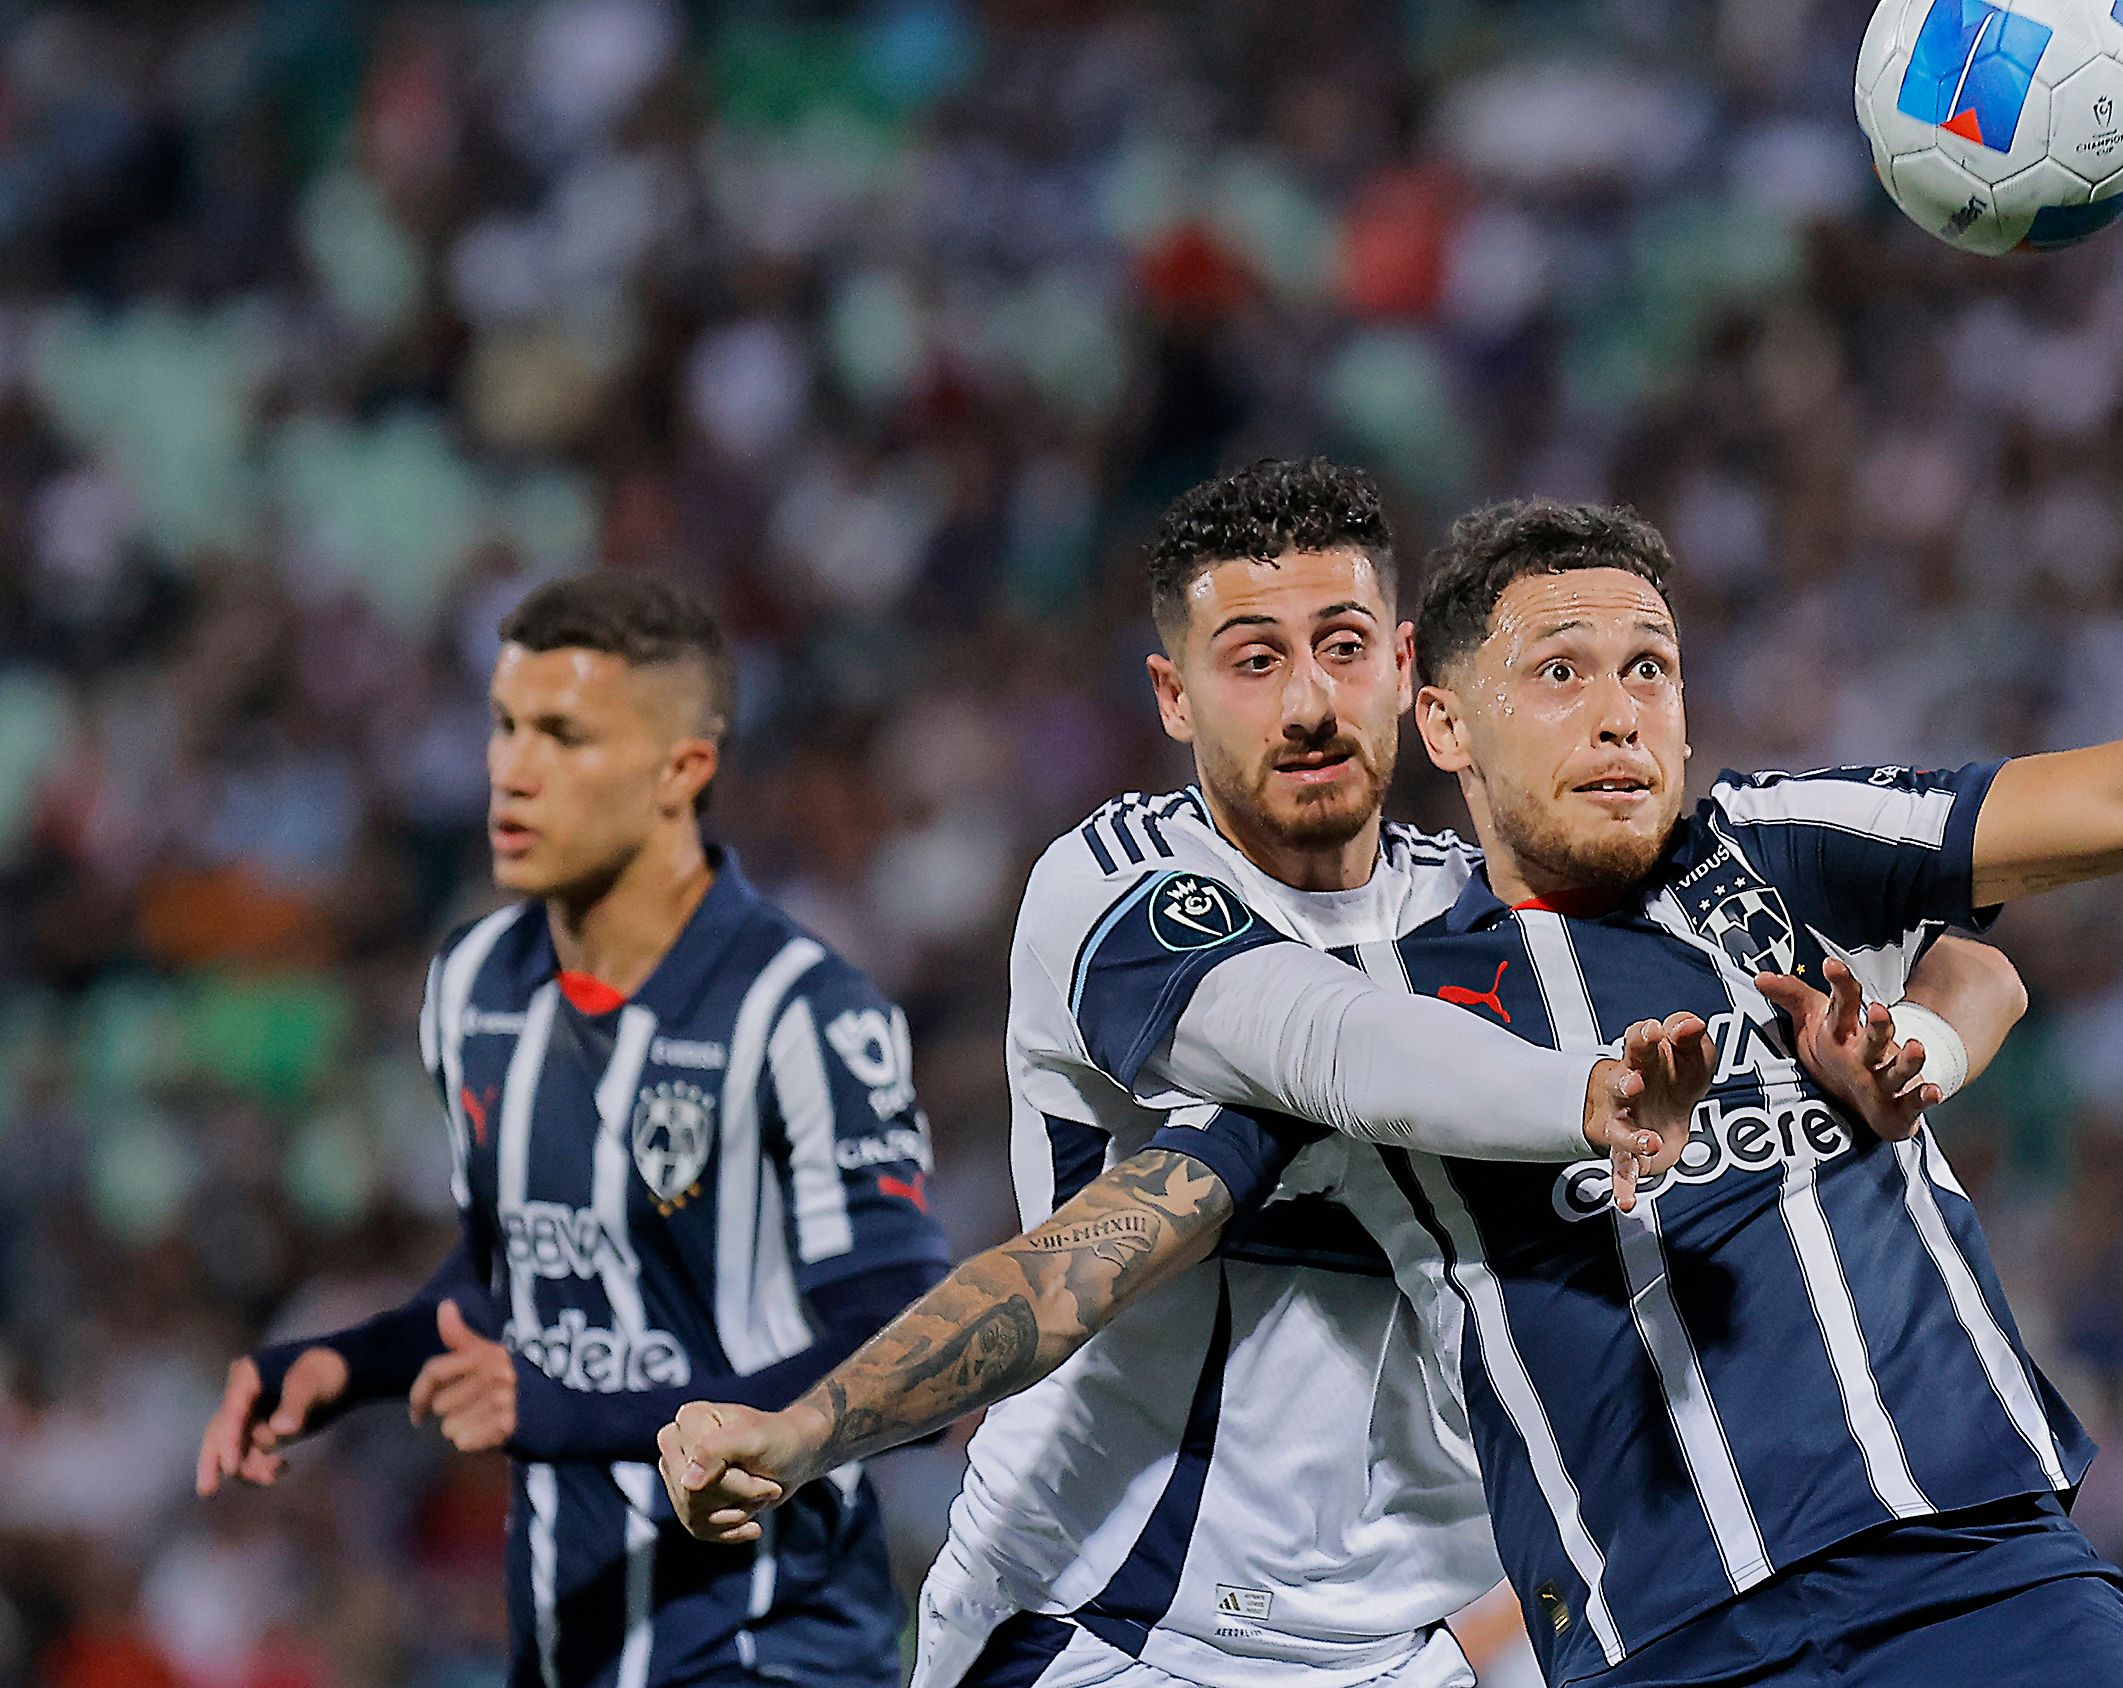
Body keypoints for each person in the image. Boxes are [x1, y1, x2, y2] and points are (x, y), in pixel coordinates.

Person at [669, 458, 2031, 1688]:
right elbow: (1190, 1169)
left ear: (1404, 672)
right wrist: (810, 1432)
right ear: (1173, 695)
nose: (1310, 703)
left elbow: (1957, 944)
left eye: (1339, 649)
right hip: (1112, 1625)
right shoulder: (1120, 887)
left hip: (1406, 1652)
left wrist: (1916, 1048)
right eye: (1252, 661)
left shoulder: (1494, 917)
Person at [193, 574, 956, 1688]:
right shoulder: (474, 984)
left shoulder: (805, 1009)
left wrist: (570, 1409)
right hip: (568, 1638)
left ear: (680, 770)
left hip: (769, 1638)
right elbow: (513, 1273)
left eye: (566, 734)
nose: (511, 768)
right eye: (504, 725)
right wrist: (344, 1363)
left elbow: (906, 1344)